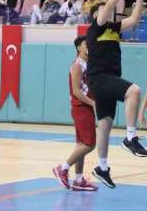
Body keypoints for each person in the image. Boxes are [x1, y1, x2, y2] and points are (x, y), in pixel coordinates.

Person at [87, 0, 147, 188]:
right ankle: (130, 137)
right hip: (100, 78)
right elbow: (110, 4)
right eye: (102, 10)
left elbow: (134, 19)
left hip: (108, 78)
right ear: (95, 15)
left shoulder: (114, 28)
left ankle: (102, 167)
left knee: (104, 124)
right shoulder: (96, 27)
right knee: (133, 91)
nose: (106, 11)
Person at [52, 36, 99, 191]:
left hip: (84, 107)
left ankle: (78, 180)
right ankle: (63, 168)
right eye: (87, 44)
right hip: (81, 107)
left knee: (81, 145)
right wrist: (93, 103)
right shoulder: (77, 65)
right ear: (79, 47)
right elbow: (77, 91)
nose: (90, 46)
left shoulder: (88, 64)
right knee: (90, 144)